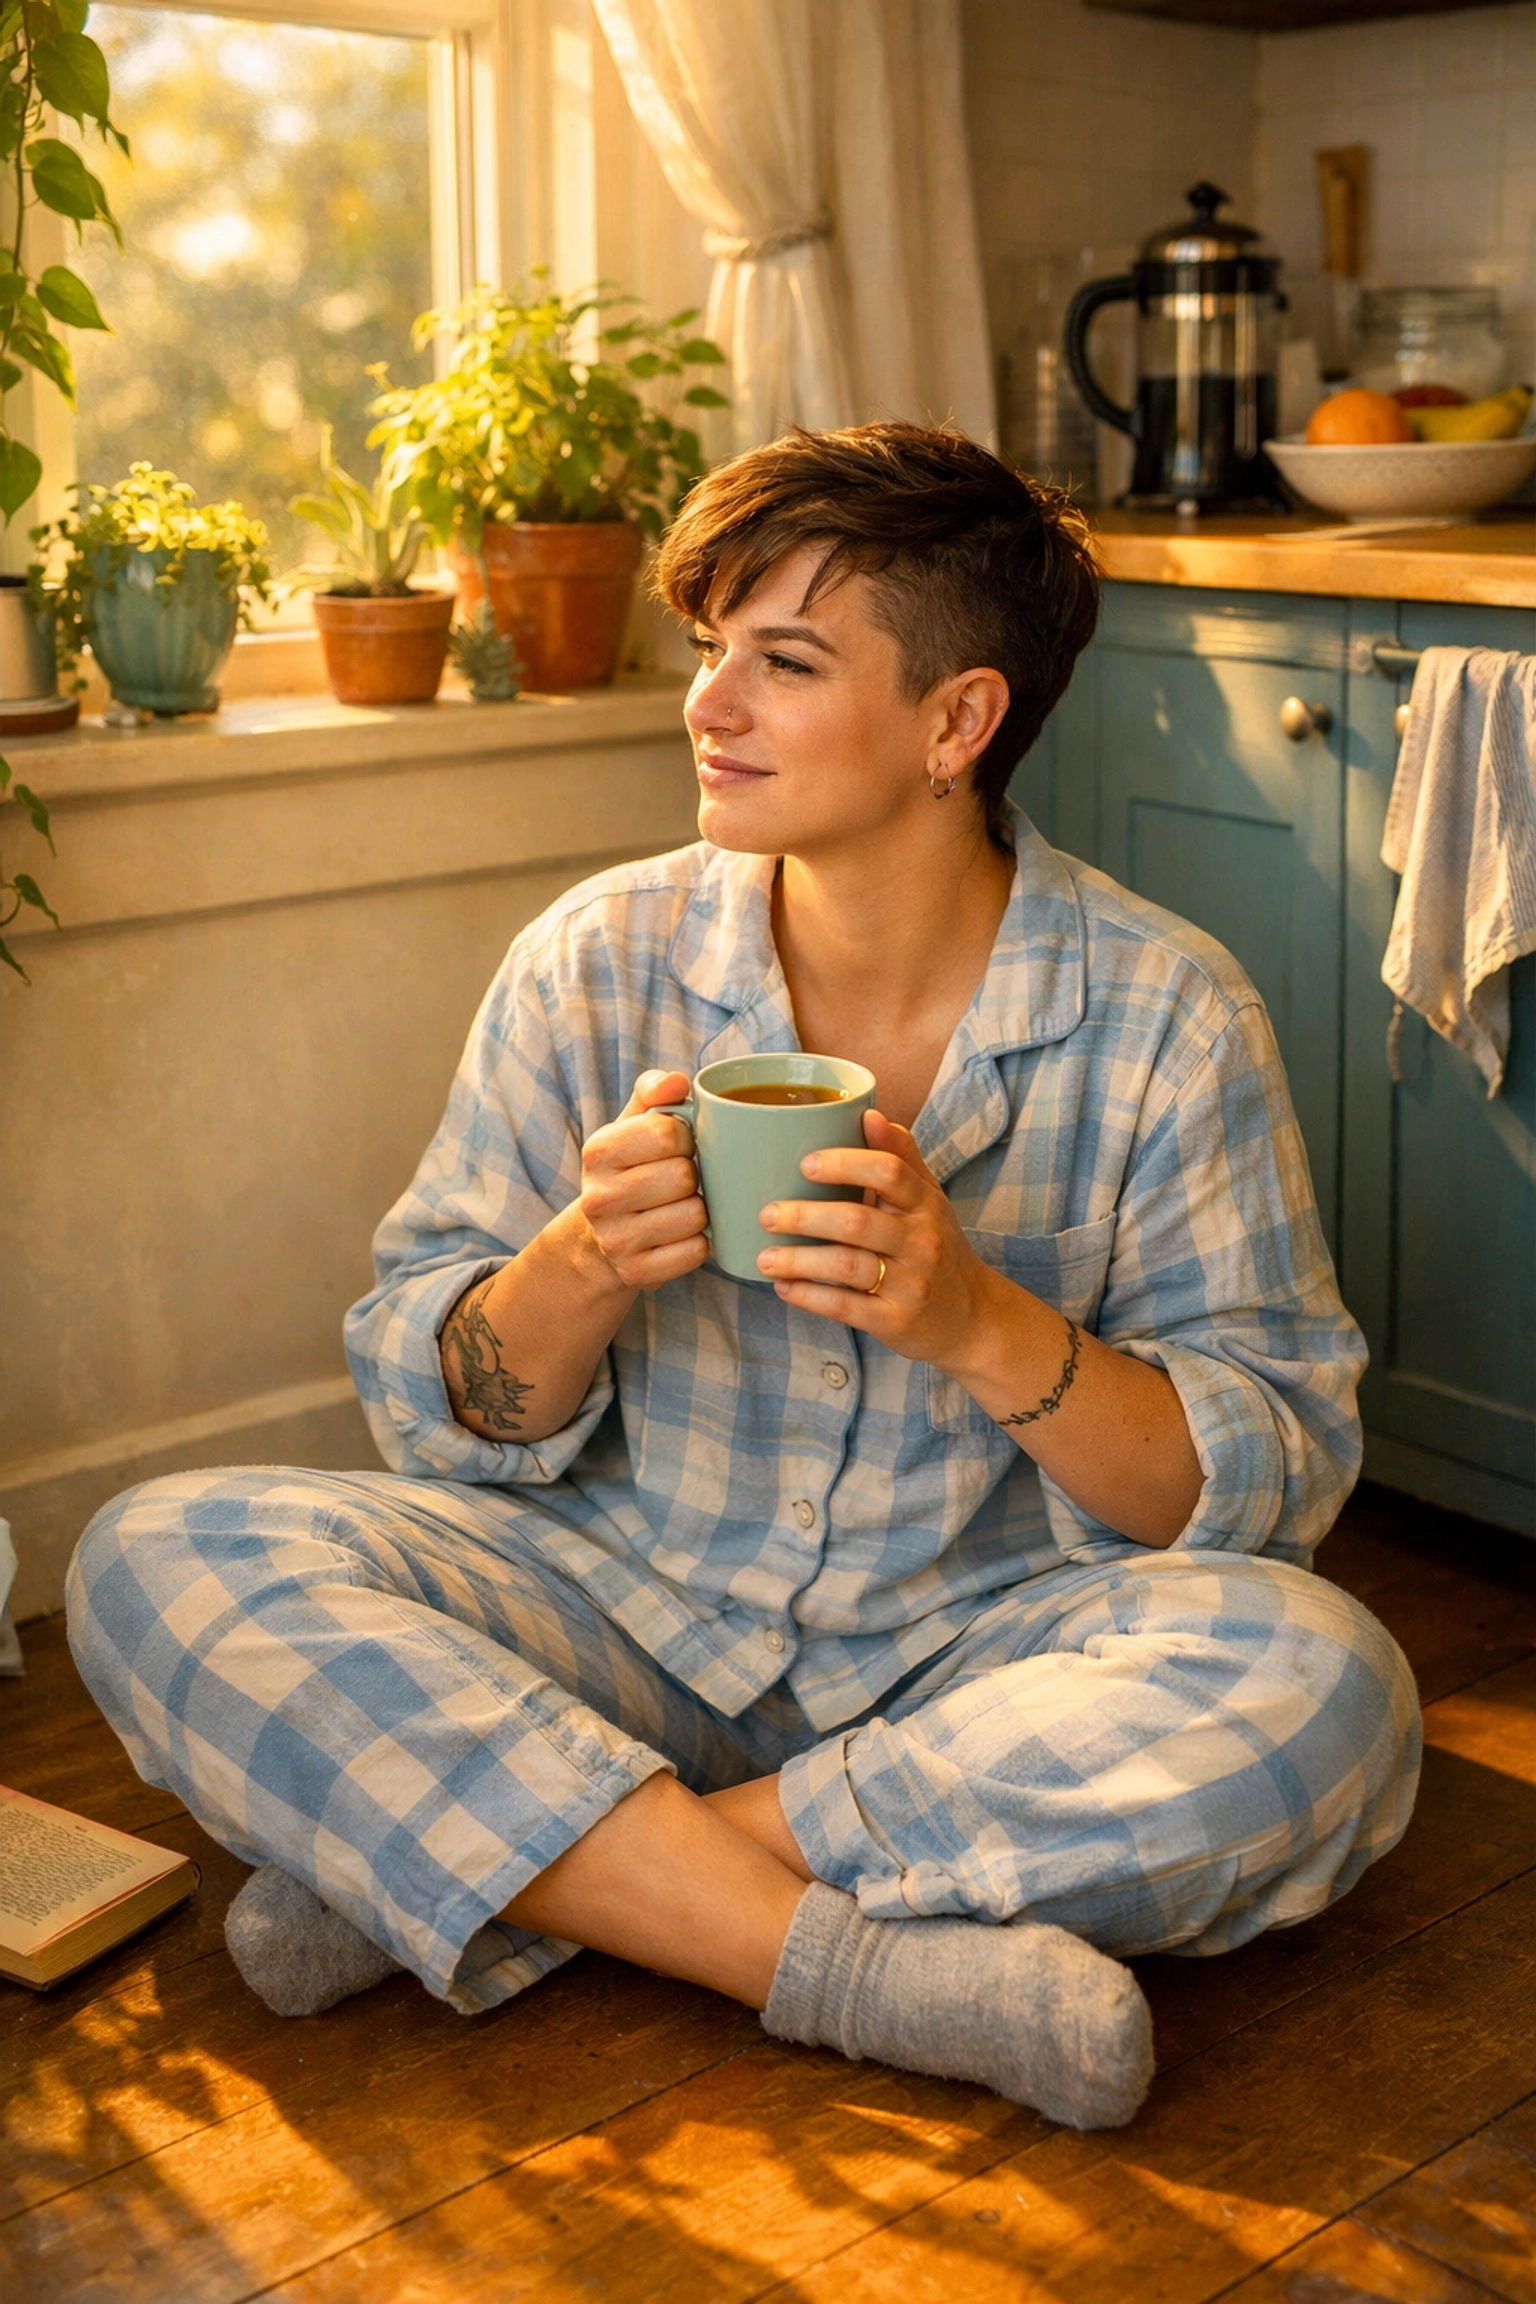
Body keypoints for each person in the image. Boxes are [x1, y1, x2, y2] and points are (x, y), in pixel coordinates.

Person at [68, 423, 1419, 2131]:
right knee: (160, 1554)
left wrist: (978, 1322)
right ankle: (855, 1971)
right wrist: (577, 1265)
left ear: (957, 721)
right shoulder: (596, 959)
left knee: (1329, 1692)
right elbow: (438, 1402)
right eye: (714, 652)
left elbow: (1261, 1493)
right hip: (610, 1608)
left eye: (782, 663)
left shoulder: (1166, 1015)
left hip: (976, 1657)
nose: (707, 705)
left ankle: (518, 1868)